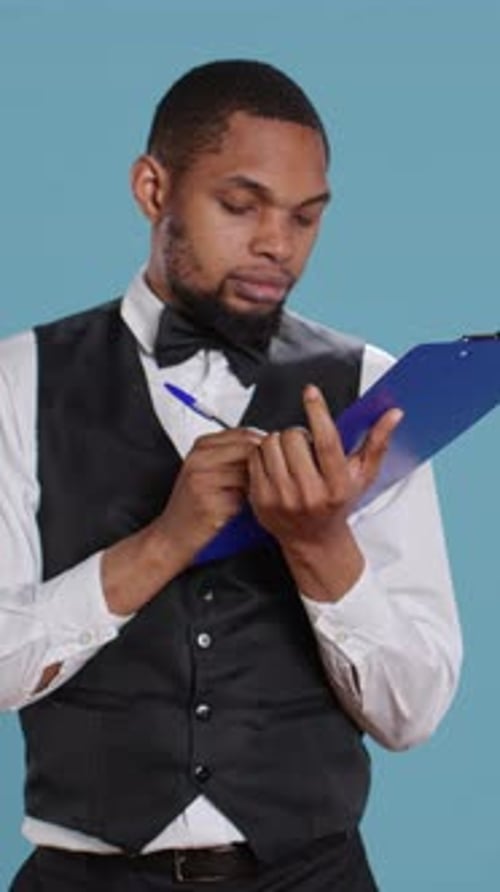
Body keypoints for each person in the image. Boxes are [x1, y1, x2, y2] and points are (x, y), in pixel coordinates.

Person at [1, 59, 462, 892]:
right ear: (153, 189)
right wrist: (163, 543)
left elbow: (414, 713)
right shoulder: (17, 380)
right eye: (239, 206)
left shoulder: (373, 389)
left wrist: (321, 547)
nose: (276, 245)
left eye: (305, 218)